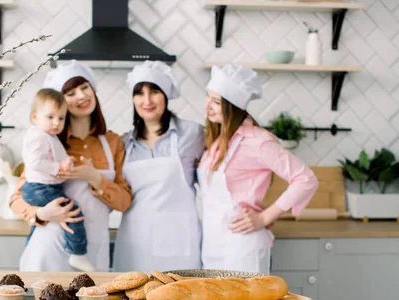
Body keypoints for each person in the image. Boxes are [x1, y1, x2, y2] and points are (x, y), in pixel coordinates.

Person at [9, 60, 132, 272]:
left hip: (92, 254)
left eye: (85, 88)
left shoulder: (112, 142)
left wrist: (95, 178)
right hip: (49, 250)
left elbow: (124, 202)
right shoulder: (49, 143)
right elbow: (16, 199)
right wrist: (42, 214)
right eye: (71, 93)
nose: (82, 96)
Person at [199, 64, 319, 274]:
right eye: (208, 97)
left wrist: (265, 218)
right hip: (213, 245)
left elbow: (306, 179)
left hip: (242, 248)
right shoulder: (217, 140)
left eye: (216, 101)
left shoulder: (258, 141)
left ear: (233, 105)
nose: (206, 105)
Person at [112, 61, 204, 272]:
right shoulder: (124, 143)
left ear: (165, 96)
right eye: (139, 93)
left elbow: (219, 175)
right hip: (134, 244)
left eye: (154, 91)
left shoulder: (193, 134)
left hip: (179, 242)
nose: (147, 100)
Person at [20, 88, 94, 272]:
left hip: (42, 187)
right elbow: (34, 162)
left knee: (37, 231)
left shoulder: (47, 136)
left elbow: (50, 157)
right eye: (50, 117)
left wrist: (64, 162)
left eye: (61, 118)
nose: (56, 122)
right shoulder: (38, 137)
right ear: (35, 117)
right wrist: (57, 167)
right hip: (40, 188)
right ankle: (78, 254)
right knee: (73, 212)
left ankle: (29, 247)